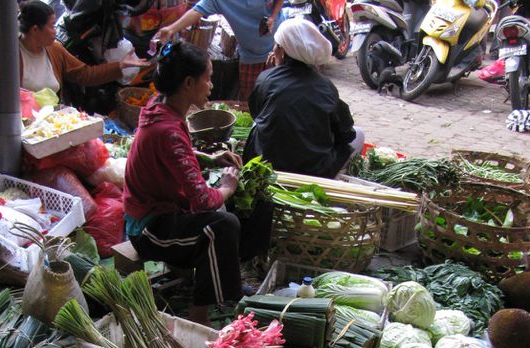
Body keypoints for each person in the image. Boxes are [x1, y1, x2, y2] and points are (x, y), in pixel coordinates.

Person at [123, 40, 251, 326]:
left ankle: (225, 288)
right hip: (147, 230)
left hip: (159, 214)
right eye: (208, 78)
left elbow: (174, 154)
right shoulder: (168, 128)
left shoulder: (161, 109)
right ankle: (199, 318)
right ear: (189, 83)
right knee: (223, 225)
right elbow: (202, 201)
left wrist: (210, 158)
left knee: (226, 218)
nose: (211, 85)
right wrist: (228, 186)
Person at [243, 17, 364, 178]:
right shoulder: (326, 87)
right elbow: (347, 132)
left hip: (267, 165)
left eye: (276, 46)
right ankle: (337, 179)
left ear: (282, 51)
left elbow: (257, 113)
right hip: (316, 172)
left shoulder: (265, 79)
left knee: (257, 125)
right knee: (359, 134)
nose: (273, 51)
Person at [0, 0, 151, 105]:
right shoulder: (10, 54)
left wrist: (120, 66)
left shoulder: (55, 50)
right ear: (35, 30)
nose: (55, 31)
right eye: (51, 25)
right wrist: (8, 99)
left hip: (47, 127)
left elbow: (85, 74)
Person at [157, 0, 285, 101]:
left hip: (277, 47)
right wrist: (171, 29)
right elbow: (198, 10)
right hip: (250, 53)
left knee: (278, 94)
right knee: (250, 98)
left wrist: (272, 17)